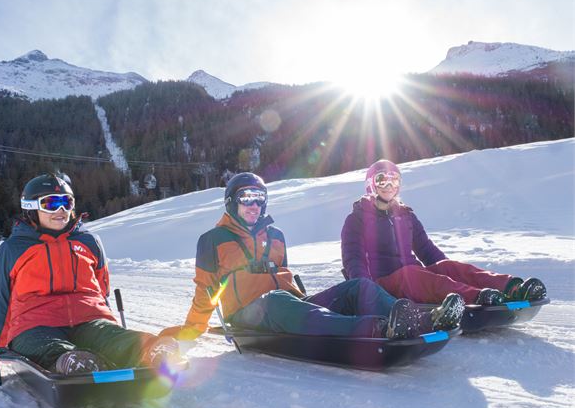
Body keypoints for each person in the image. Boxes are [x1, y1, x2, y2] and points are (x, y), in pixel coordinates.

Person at [161, 172, 464, 342]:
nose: (254, 205)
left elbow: (283, 274)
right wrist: (191, 330)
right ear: (231, 203)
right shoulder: (212, 241)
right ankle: (379, 328)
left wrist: (300, 296)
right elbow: (205, 293)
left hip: (288, 304)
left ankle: (422, 319)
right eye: (246, 198)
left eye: (259, 199)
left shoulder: (275, 236)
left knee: (358, 287)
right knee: (278, 302)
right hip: (247, 315)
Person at [0, 172, 180, 375]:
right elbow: (0, 301)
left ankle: (155, 352)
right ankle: (73, 363)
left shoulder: (88, 241)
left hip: (88, 318)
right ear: (31, 208)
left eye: (67, 202)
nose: (61, 210)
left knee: (112, 338)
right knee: (47, 347)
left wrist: (104, 320)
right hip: (35, 324)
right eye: (51, 203)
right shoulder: (14, 248)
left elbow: (101, 289)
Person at [341, 159, 547, 307]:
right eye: (382, 180)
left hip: (415, 278)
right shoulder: (357, 220)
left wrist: (448, 271)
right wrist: (367, 293)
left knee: (446, 266)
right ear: (371, 185)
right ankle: (477, 297)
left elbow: (427, 250)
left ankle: (511, 287)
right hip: (382, 284)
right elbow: (353, 260)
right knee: (411, 275)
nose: (388, 185)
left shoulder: (405, 215)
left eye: (394, 180)